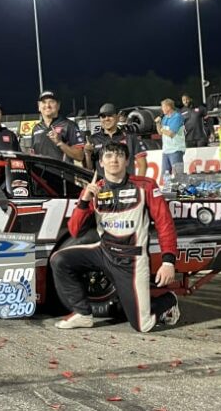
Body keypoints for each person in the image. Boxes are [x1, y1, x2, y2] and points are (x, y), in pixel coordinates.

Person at [49, 142, 180, 332]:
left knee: (143, 326)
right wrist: (84, 201)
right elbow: (75, 230)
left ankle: (169, 300)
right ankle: (83, 314)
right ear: (101, 162)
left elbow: (165, 223)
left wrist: (168, 262)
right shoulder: (96, 189)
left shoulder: (146, 185)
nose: (114, 160)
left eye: (119, 155)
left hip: (132, 261)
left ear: (127, 161)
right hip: (104, 252)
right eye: (108, 156)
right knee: (59, 259)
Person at [84, 103, 147, 177]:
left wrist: (138, 185)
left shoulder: (130, 137)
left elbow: (143, 164)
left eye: (110, 115)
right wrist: (87, 154)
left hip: (127, 186)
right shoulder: (93, 139)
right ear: (100, 119)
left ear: (117, 117)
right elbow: (89, 168)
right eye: (103, 116)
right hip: (103, 187)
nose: (106, 119)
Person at [31, 91, 85, 163]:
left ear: (58, 105)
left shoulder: (69, 125)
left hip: (62, 173)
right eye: (44, 102)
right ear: (39, 106)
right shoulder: (36, 128)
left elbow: (80, 156)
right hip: (40, 173)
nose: (47, 105)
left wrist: (59, 143)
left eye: (51, 102)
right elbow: (32, 154)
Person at [155, 98, 186, 176]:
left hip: (176, 150)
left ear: (168, 107)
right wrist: (158, 123)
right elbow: (159, 132)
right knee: (165, 176)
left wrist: (161, 129)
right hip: (166, 151)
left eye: (163, 107)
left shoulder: (177, 117)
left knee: (178, 175)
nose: (162, 109)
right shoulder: (165, 118)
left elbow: (171, 134)